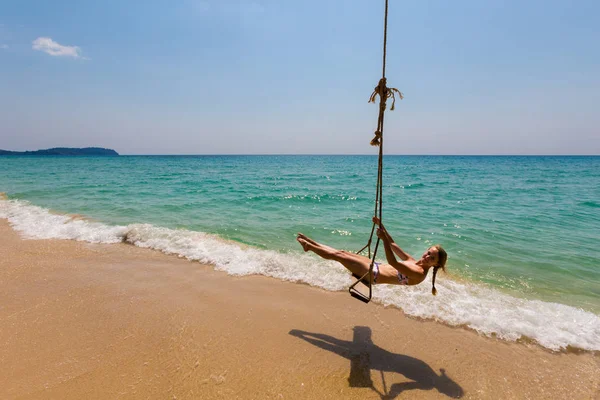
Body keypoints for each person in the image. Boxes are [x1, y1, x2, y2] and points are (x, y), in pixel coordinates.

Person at [296, 217, 447, 295]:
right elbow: (393, 244)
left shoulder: (419, 274)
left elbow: (393, 262)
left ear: (436, 265)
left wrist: (382, 240)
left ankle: (309, 247)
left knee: (338, 256)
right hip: (375, 266)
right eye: (429, 252)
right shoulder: (413, 261)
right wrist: (381, 226)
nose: (427, 257)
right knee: (341, 252)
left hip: (371, 275)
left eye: (432, 258)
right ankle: (311, 243)